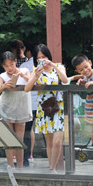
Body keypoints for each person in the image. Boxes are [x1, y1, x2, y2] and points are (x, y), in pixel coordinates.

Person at [24, 44, 68, 173]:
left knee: (57, 141)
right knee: (49, 142)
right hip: (44, 108)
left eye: (44, 57)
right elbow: (27, 88)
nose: (42, 60)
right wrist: (35, 76)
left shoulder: (59, 66)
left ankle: (52, 167)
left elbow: (65, 80)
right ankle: (51, 169)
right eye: (39, 58)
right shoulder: (36, 70)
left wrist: (53, 66)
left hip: (57, 107)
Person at [0, 51, 32, 169]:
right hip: (6, 109)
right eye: (6, 66)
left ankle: (20, 167)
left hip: (21, 109)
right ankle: (10, 166)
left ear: (15, 62)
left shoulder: (24, 71)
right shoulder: (2, 76)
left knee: (19, 140)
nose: (9, 68)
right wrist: (4, 86)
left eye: (11, 64)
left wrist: (21, 75)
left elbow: (31, 82)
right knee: (8, 139)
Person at [10, 39, 35, 167]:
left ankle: (22, 157)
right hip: (20, 100)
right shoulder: (25, 63)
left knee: (22, 130)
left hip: (23, 100)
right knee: (24, 130)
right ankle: (21, 157)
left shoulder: (25, 64)